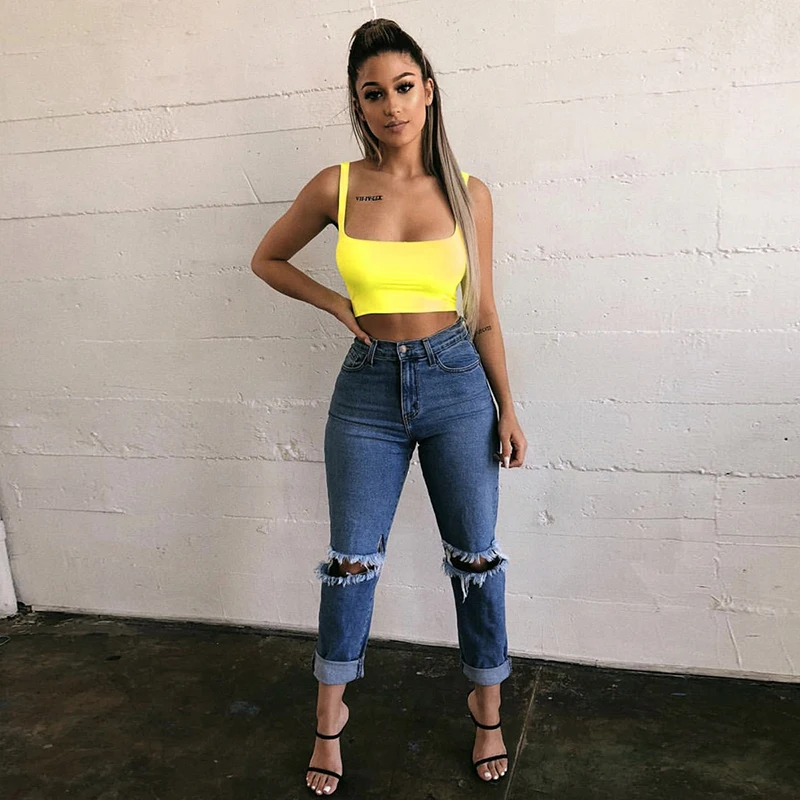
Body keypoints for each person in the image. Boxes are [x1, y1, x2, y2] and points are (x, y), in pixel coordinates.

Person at [250, 18, 527, 796]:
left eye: (404, 87)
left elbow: (484, 313)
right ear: (359, 104)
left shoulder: (469, 193)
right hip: (368, 388)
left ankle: (487, 712)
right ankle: (328, 722)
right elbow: (267, 258)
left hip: (456, 381)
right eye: (374, 94)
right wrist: (336, 304)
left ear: (428, 91)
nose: (392, 106)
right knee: (350, 563)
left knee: (476, 558)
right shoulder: (336, 186)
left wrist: (508, 408)